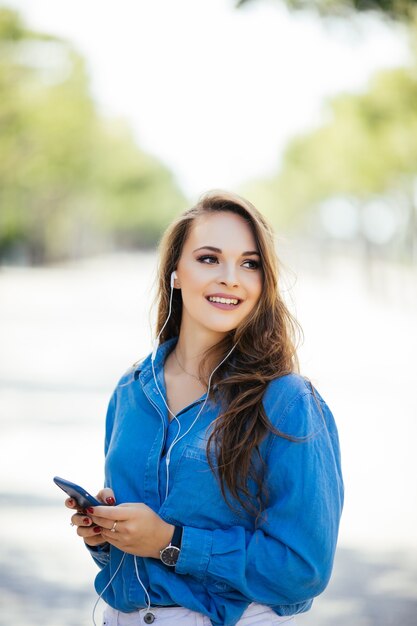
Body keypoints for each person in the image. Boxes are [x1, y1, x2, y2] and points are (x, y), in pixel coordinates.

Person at [65, 191, 344, 626]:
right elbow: (133, 564)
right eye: (209, 259)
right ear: (175, 272)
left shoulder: (287, 402)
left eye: (249, 264)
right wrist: (107, 534)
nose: (231, 278)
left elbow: (303, 569)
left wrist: (170, 541)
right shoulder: (132, 389)